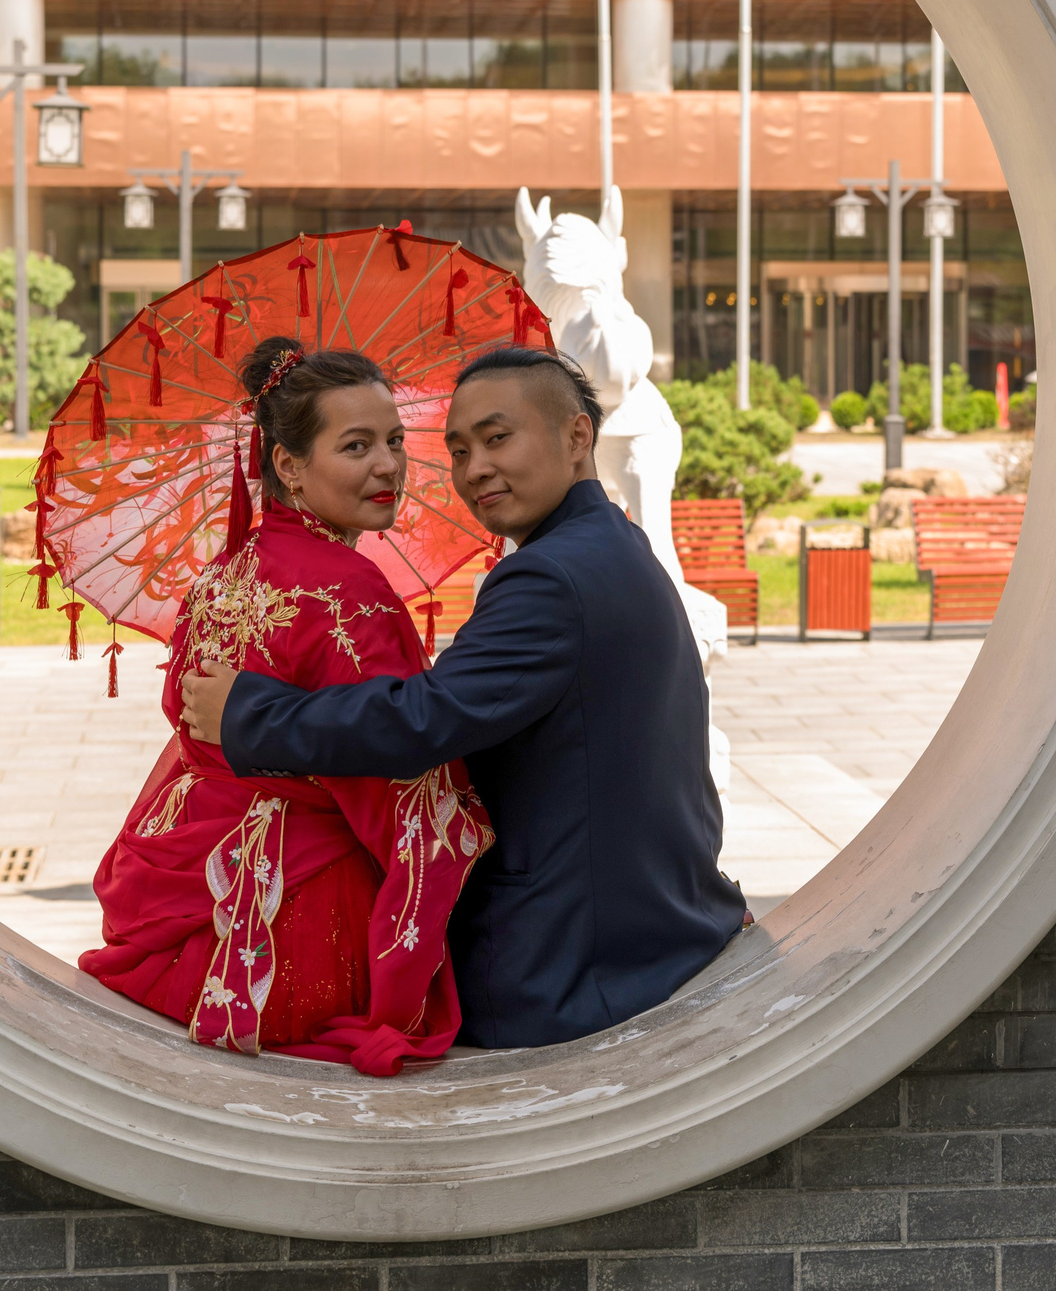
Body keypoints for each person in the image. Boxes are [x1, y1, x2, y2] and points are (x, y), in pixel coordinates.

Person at [183, 347, 745, 1051]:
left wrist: (248, 713)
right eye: (457, 448)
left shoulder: (548, 577)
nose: (473, 468)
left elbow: (423, 720)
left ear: (577, 436)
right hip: (655, 917)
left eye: (497, 437)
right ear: (287, 465)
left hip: (566, 967)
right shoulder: (612, 543)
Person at [81, 339, 494, 1076]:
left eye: (396, 441)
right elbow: (404, 791)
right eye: (357, 445)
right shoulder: (351, 593)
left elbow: (188, 716)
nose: (389, 466)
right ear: (290, 466)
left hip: (190, 897)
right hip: (291, 924)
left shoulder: (226, 569)